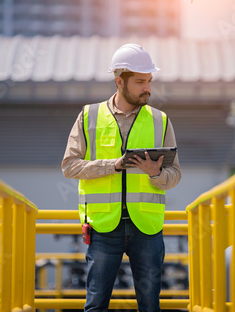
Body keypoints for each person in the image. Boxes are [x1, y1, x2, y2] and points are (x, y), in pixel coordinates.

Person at [62, 43, 181, 312]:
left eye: (149, 81)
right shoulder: (88, 116)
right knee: (95, 305)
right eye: (140, 82)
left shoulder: (160, 120)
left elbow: (175, 175)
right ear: (119, 81)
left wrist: (157, 174)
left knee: (150, 306)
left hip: (147, 229)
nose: (147, 88)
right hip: (103, 227)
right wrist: (112, 166)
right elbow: (69, 166)